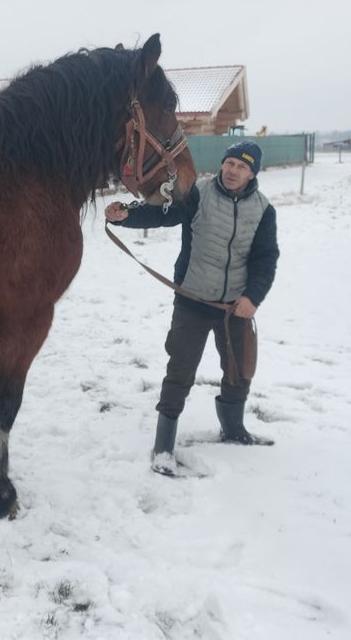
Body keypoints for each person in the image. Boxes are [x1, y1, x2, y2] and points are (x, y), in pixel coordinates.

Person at [105, 141, 279, 476]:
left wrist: (252, 298)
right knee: (180, 371)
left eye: (241, 167)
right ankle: (163, 446)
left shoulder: (263, 209)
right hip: (193, 301)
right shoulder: (198, 193)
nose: (232, 171)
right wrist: (128, 215)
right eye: (229, 163)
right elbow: (163, 213)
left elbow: (266, 259)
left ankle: (233, 429)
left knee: (239, 368)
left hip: (234, 308)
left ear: (252, 172)